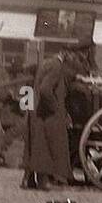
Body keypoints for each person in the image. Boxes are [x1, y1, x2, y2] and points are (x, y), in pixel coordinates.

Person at [22, 44, 84, 189]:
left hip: (38, 110)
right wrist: (56, 108)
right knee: (48, 145)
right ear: (65, 53)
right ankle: (44, 182)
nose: (74, 59)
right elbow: (45, 90)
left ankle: (28, 180)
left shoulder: (47, 62)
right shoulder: (56, 66)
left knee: (36, 144)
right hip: (48, 113)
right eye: (73, 56)